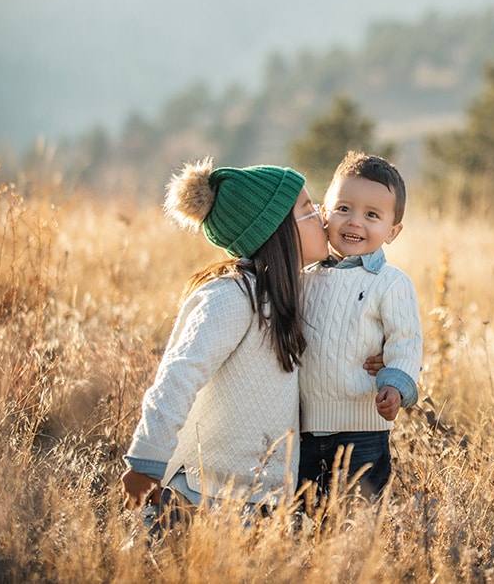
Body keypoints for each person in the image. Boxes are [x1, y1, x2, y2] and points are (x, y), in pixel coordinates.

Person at [119, 158, 329, 526]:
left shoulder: (293, 294)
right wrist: (146, 461)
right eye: (309, 210)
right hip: (199, 497)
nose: (323, 217)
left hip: (260, 502)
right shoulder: (231, 295)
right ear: (276, 229)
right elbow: (180, 373)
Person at [297, 151, 423, 501]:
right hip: (304, 427)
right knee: (303, 516)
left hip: (363, 427)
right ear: (324, 213)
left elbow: (406, 343)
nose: (355, 222)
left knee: (352, 519)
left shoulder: (390, 282)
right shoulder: (304, 277)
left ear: (392, 231)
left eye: (372, 215)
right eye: (344, 209)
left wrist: (396, 386)